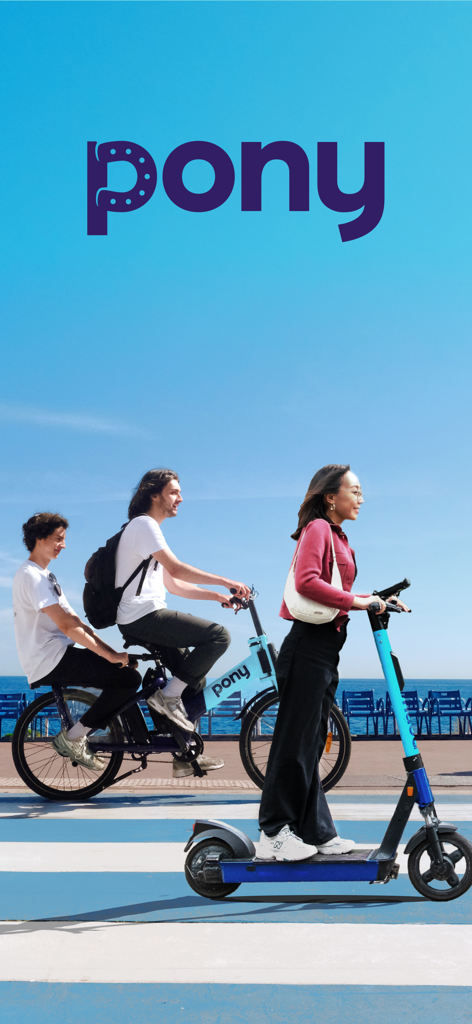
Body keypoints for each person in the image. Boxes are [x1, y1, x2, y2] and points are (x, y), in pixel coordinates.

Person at [257, 464, 410, 861]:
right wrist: (359, 602)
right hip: (307, 645)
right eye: (354, 490)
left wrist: (377, 600)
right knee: (294, 740)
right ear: (330, 496)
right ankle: (273, 832)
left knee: (312, 742)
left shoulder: (341, 537)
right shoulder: (319, 530)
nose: (361, 498)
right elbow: (308, 582)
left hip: (326, 648)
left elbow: (339, 591)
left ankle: (316, 831)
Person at [115, 468, 251, 778]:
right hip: (141, 616)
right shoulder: (144, 525)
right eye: (174, 492)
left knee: (195, 681)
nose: (180, 498)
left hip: (144, 616)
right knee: (218, 636)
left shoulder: (147, 532)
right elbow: (177, 568)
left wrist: (216, 596)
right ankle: (167, 698)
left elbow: (174, 584)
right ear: (155, 495)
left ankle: (182, 753)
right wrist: (226, 580)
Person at [12, 512, 143, 771]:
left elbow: (77, 622)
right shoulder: (32, 576)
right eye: (58, 539)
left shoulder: (45, 576)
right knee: (128, 680)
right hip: (50, 657)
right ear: (39, 538)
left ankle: (137, 737)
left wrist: (112, 652)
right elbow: (66, 625)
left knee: (123, 673)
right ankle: (74, 737)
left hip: (55, 654)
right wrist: (109, 656)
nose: (63, 544)